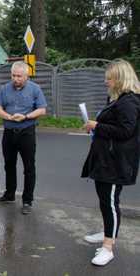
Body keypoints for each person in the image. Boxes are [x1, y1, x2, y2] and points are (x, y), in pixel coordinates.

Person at [81, 59, 140, 266]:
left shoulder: (129, 101)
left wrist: (97, 125)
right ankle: (108, 232)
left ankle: (108, 248)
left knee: (111, 202)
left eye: (109, 78)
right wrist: (96, 126)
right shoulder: (117, 99)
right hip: (106, 159)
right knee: (106, 200)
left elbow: (126, 131)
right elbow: (111, 125)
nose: (106, 82)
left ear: (120, 79)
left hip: (117, 162)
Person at [0, 61, 47, 215]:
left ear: (26, 76)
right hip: (9, 132)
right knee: (9, 165)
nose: (15, 79)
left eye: (19, 76)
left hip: (26, 132)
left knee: (29, 167)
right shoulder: (4, 89)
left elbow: (42, 109)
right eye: (13, 75)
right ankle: (9, 194)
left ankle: (27, 200)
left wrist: (25, 116)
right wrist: (8, 116)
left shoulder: (35, 89)